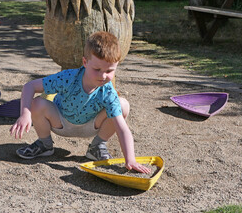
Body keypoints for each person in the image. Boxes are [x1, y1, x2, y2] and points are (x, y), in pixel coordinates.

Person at [10, 31, 151, 173]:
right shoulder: (68, 78)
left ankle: (97, 147)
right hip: (60, 122)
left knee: (123, 105)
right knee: (37, 103)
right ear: (85, 62)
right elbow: (30, 86)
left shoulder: (108, 92)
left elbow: (122, 128)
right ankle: (44, 144)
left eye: (109, 70)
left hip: (91, 125)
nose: (103, 76)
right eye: (97, 69)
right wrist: (24, 114)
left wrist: (130, 159)